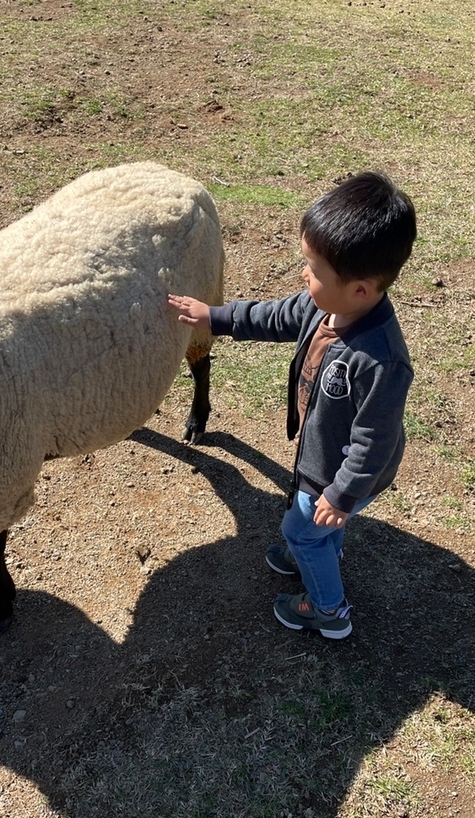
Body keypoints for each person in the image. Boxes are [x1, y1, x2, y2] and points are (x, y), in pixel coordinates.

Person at [169, 171, 416, 639]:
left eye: (313, 269)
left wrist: (342, 496)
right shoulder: (327, 306)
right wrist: (214, 317)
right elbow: (272, 316)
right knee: (311, 525)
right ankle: (319, 547)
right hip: (322, 456)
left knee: (303, 526)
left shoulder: (379, 359)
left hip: (347, 472)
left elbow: (374, 440)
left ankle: (327, 609)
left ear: (361, 288)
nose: (304, 275)